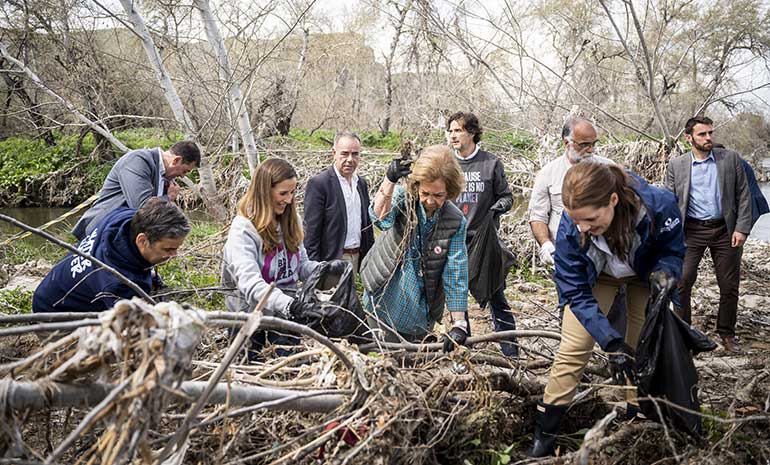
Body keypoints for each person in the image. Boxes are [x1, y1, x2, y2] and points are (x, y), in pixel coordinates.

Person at [527, 161, 685, 457]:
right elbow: (574, 290)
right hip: (597, 275)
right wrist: (611, 341)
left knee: (641, 343)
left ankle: (637, 413)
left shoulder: (658, 205)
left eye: (591, 219)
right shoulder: (571, 229)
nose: (584, 228)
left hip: (643, 272)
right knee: (574, 346)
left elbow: (673, 251)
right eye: (577, 221)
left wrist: (665, 272)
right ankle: (544, 435)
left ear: (613, 200)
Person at [222, 158, 342, 356]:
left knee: (289, 370)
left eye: (292, 193)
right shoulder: (243, 230)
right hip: (248, 319)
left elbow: (300, 265)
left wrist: (325, 270)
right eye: (283, 193)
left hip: (284, 317)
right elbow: (250, 283)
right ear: (264, 191)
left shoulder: (290, 219)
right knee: (251, 375)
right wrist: (291, 306)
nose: (288, 200)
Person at [360, 145, 469, 351]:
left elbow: (456, 271)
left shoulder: (455, 220)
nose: (429, 200)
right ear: (417, 185)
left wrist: (459, 323)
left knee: (409, 366)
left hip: (421, 309)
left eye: (438, 195)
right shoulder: (403, 198)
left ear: (450, 191)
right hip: (383, 300)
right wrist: (389, 180)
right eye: (425, 193)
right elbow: (379, 218)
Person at [665, 116, 751, 352]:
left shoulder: (730, 158)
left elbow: (744, 196)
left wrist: (742, 228)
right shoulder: (677, 165)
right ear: (688, 137)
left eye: (711, 133)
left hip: (725, 230)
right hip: (690, 230)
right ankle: (685, 334)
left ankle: (727, 334)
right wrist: (668, 233)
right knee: (682, 281)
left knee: (729, 284)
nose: (708, 138)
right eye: (702, 134)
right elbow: (668, 200)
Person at [33, 198, 190, 313]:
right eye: (168, 249)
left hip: (61, 283)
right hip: (55, 311)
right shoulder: (117, 284)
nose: (174, 255)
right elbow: (132, 327)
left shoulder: (124, 218)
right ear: (142, 240)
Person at [447, 111, 518, 358]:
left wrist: (499, 207)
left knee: (497, 296)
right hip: (454, 241)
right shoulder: (447, 163)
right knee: (457, 300)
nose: (453, 135)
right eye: (451, 130)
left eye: (458, 130)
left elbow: (507, 196)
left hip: (484, 242)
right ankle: (465, 354)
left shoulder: (490, 163)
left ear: (473, 133)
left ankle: (512, 354)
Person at [72, 141, 200, 241]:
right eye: (185, 171)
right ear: (176, 160)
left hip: (121, 235)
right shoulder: (138, 160)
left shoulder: (163, 176)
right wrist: (168, 197)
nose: (183, 176)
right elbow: (142, 207)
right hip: (100, 232)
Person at [528, 117, 612, 266]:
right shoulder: (548, 173)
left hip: (605, 253)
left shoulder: (609, 168)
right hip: (565, 254)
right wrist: (546, 244)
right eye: (585, 144)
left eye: (594, 144)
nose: (591, 149)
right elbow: (538, 216)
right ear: (567, 143)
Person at [303, 132, 374, 271]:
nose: (350, 159)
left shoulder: (361, 184)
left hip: (358, 258)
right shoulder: (320, 184)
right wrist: (314, 269)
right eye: (344, 153)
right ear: (334, 153)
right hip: (331, 260)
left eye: (355, 154)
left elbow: (367, 224)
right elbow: (311, 233)